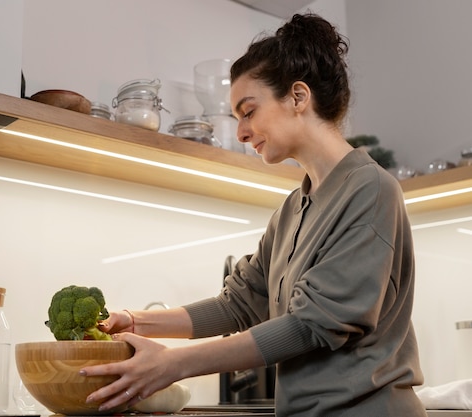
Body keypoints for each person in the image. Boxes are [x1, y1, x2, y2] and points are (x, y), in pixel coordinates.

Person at [81, 12, 427, 417]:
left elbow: (312, 324)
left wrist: (174, 364)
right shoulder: (291, 211)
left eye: (248, 111)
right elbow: (240, 304)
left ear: (298, 97)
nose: (242, 132)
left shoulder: (371, 189)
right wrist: (134, 322)